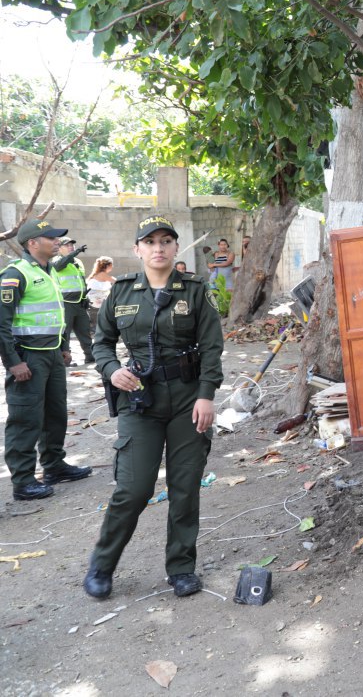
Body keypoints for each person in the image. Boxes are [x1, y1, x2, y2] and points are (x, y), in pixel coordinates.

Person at [83, 215, 225, 600]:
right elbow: (101, 343)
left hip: (187, 398)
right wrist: (112, 371)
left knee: (184, 487)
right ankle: (102, 564)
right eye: (150, 242)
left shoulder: (195, 290)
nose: (158, 248)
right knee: (133, 488)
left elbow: (212, 346)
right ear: (137, 250)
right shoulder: (122, 292)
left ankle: (181, 568)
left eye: (165, 241)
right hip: (140, 400)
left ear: (176, 248)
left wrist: (206, 394)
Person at [0, 219, 91, 500]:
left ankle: (53, 466)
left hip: (51, 354)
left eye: (57, 238)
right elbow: (1, 324)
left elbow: (56, 315)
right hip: (27, 357)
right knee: (26, 419)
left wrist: (64, 346)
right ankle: (24, 481)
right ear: (32, 243)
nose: (57, 242)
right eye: (51, 238)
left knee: (55, 414)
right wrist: (13, 362)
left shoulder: (49, 271)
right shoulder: (15, 274)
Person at [52, 236, 93, 366]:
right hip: (65, 304)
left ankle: (90, 356)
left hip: (79, 303)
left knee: (85, 331)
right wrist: (74, 253)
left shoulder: (77, 262)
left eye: (72, 245)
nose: (71, 247)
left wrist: (85, 297)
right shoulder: (56, 260)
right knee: (65, 333)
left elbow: (81, 281)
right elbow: (59, 266)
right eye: (67, 245)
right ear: (59, 248)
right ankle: (65, 360)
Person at [86, 256, 115, 329]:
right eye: (112, 265)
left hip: (96, 301)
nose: (113, 267)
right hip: (97, 301)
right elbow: (115, 281)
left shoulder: (96, 274)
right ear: (108, 265)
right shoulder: (102, 274)